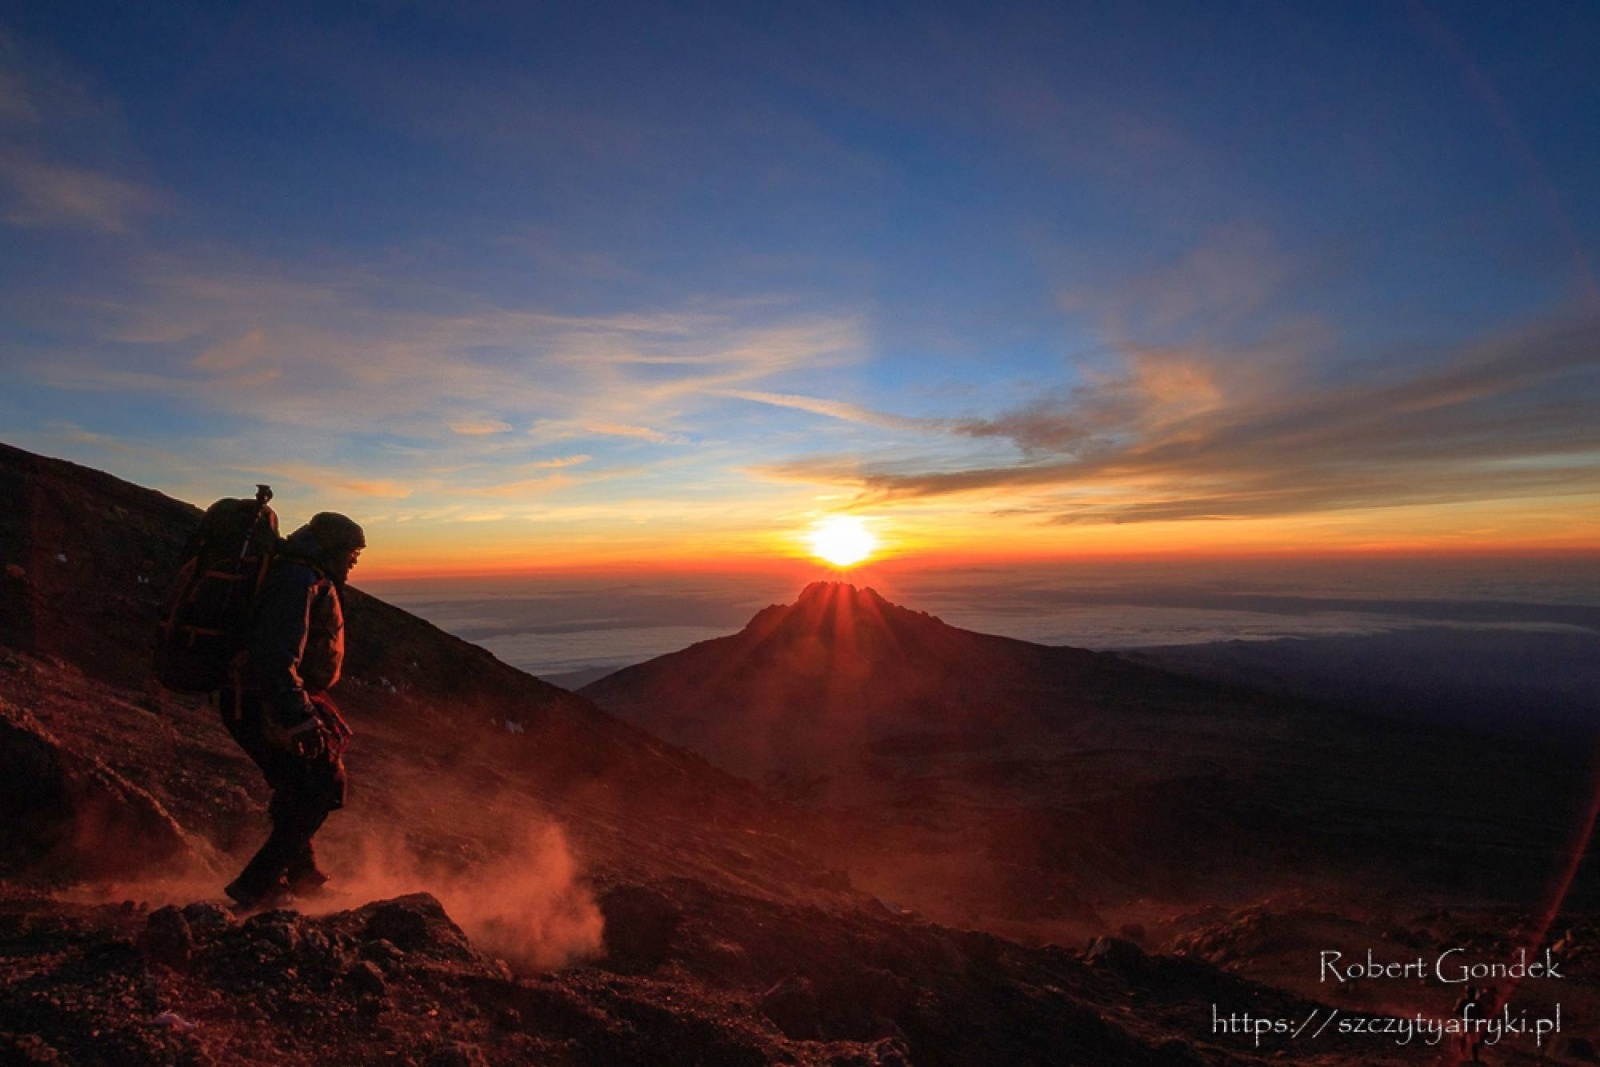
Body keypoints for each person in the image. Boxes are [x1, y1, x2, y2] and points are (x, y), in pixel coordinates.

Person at [219, 512, 364, 910]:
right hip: (261, 701)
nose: (353, 562)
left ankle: (301, 879)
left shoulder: (299, 575)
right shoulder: (297, 581)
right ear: (331, 548)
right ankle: (256, 886)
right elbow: (274, 656)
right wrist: (298, 717)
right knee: (321, 785)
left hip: (252, 698)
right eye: (351, 553)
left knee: (298, 786)